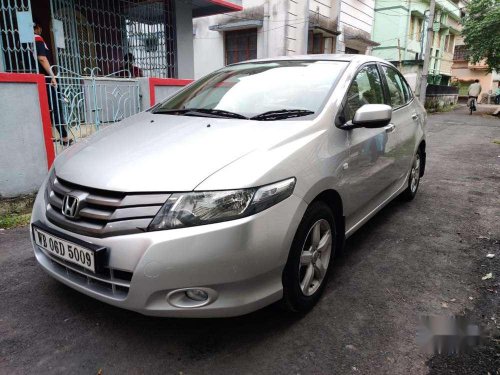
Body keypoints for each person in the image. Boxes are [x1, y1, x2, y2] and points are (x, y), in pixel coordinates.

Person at [33, 20, 73, 146]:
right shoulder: (37, 38)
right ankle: (65, 137)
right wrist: (52, 76)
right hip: (46, 79)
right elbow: (42, 58)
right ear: (37, 28)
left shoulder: (21, 41)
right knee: (56, 107)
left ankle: (53, 136)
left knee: (46, 108)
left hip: (35, 79)